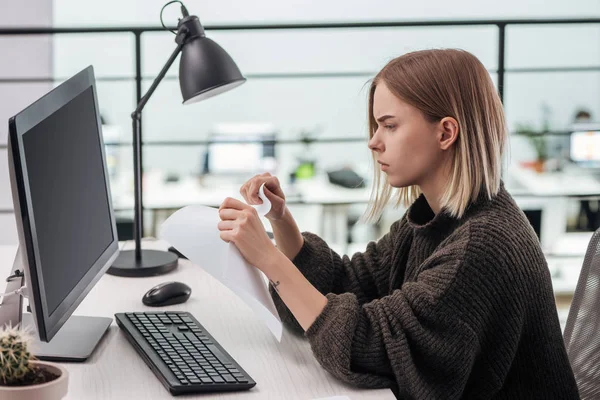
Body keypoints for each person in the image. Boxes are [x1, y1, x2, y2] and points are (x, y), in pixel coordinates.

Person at [217, 49, 579, 399]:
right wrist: (281, 222)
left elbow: (368, 350)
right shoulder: (438, 217)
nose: (373, 142)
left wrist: (268, 258)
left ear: (445, 133)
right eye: (376, 126)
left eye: (389, 126)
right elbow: (348, 285)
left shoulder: (480, 246)